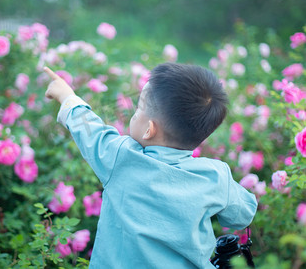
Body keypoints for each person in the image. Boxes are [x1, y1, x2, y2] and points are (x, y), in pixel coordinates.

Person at [44, 63, 257, 269]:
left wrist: (67, 97)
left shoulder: (121, 158)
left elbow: (89, 130)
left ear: (149, 130)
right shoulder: (214, 176)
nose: (133, 114)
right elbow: (242, 216)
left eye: (138, 109)